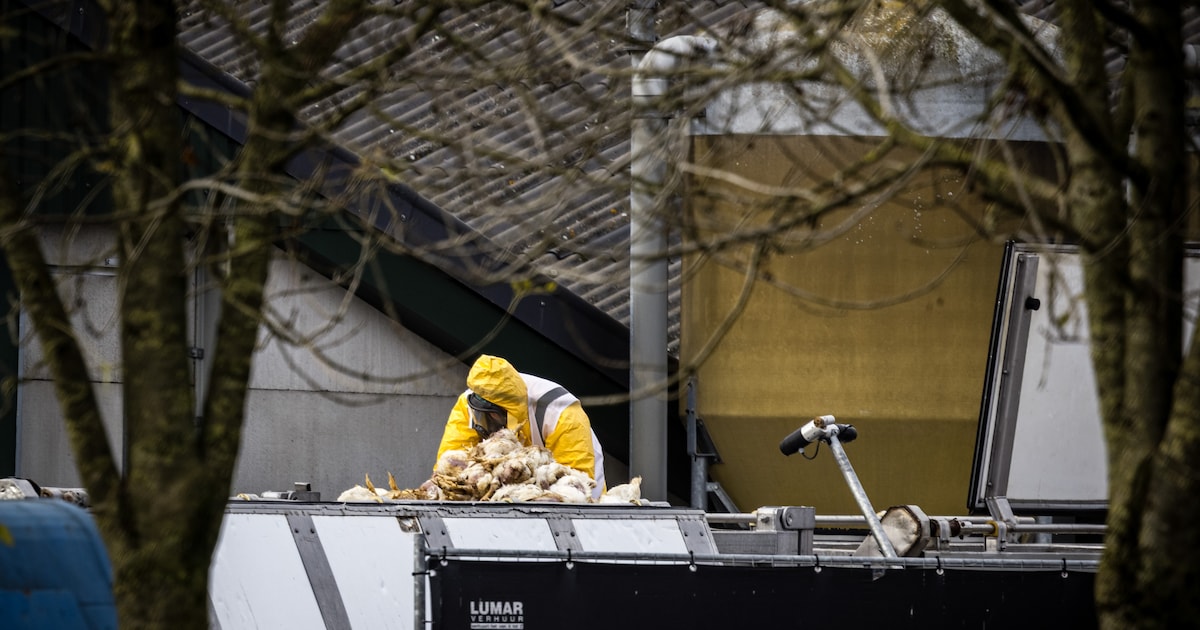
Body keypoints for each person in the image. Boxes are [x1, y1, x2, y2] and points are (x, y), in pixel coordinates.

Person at [436, 354, 606, 498]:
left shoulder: (561, 412)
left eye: (494, 417)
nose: (488, 425)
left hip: (581, 495)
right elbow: (448, 468)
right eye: (482, 416)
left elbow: (574, 482)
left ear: (511, 413)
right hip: (505, 494)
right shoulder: (468, 404)